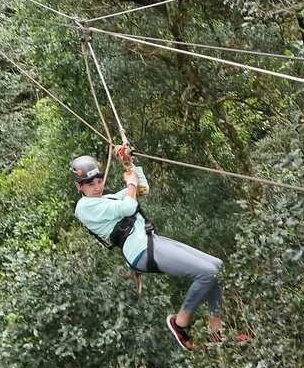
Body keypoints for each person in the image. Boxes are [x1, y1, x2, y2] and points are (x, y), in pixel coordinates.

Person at [69, 150, 224, 351]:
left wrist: (129, 164)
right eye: (91, 184)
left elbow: (141, 189)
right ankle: (180, 323)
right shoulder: (84, 207)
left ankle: (216, 330)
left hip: (152, 242)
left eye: (99, 181)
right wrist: (130, 183)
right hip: (141, 250)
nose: (97, 187)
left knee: (217, 267)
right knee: (208, 273)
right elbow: (129, 207)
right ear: (79, 186)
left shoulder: (107, 199)